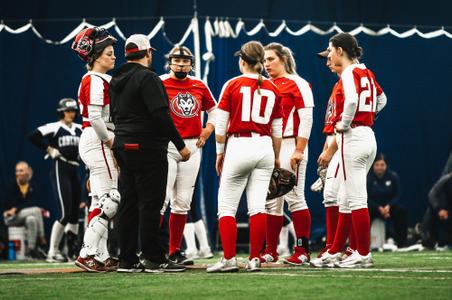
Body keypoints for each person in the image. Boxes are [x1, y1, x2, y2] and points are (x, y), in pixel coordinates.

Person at [110, 34, 190, 273]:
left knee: (128, 203)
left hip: (123, 144)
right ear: (147, 53)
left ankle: (126, 259)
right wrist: (180, 145)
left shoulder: (115, 78)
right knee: (150, 203)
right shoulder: (148, 77)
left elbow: (113, 115)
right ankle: (154, 257)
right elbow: (160, 115)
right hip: (147, 146)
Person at [207, 41, 283, 273]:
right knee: (258, 206)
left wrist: (220, 153)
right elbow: (277, 130)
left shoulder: (233, 84)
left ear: (242, 60)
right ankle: (255, 258)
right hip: (264, 147)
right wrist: (276, 157)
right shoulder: (273, 88)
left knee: (227, 207)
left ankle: (229, 259)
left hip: (239, 145)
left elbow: (220, 126)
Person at [313, 32, 387, 268]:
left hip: (353, 137)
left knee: (355, 199)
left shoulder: (348, 73)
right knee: (346, 198)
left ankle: (362, 253)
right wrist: (368, 116)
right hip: (368, 136)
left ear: (341, 50)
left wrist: (345, 123)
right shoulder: (366, 72)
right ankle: (337, 250)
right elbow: (382, 99)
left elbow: (353, 100)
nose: (330, 53)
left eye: (331, 48)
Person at [159, 45, 217, 265]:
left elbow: (215, 110)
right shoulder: (161, 82)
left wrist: (208, 129)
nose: (181, 64)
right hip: (167, 145)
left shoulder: (199, 84)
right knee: (162, 199)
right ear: (170, 62)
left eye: (185, 61)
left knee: (183, 201)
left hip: (193, 145)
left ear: (191, 63)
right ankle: (156, 250)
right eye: (177, 60)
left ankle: (175, 251)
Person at [71, 27, 119, 272]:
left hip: (95, 137)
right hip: (99, 137)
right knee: (113, 198)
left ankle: (101, 254)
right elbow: (96, 117)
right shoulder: (95, 79)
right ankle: (87, 251)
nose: (113, 56)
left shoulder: (98, 78)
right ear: (97, 56)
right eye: (109, 53)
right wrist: (112, 144)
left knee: (100, 200)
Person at [261, 42, 313, 265]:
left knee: (295, 198)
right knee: (271, 201)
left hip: (292, 144)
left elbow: (307, 118)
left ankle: (302, 250)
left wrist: (300, 150)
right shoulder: (265, 84)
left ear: (283, 59)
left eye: (270, 59)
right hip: (271, 146)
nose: (266, 64)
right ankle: (270, 250)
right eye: (264, 60)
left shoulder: (298, 83)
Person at [28, 98, 82, 262]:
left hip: (75, 169)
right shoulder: (54, 127)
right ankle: (52, 251)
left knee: (74, 214)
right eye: (67, 111)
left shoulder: (80, 129)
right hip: (61, 168)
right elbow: (33, 136)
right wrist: (49, 148)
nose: (70, 114)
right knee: (65, 213)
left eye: (73, 111)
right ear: (61, 112)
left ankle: (72, 251)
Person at [3, 162, 47, 259]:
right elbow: (10, 206)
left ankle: (31, 250)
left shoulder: (32, 185)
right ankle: (42, 239)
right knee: (36, 210)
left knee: (31, 219)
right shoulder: (11, 185)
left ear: (27, 172)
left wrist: (17, 208)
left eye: (21, 170)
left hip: (24, 215)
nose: (18, 173)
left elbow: (32, 202)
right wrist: (15, 209)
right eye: (17, 171)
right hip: (10, 218)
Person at [367, 153, 407, 247]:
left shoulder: (393, 177)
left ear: (386, 165)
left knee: (401, 211)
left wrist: (388, 207)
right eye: (377, 165)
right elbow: (366, 197)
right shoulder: (368, 178)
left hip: (389, 208)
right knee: (363, 213)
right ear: (373, 166)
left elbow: (397, 195)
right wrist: (379, 208)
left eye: (382, 165)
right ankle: (363, 244)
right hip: (374, 208)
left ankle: (401, 243)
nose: (379, 167)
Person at [418, 172, 452, 248]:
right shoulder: (445, 180)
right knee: (430, 213)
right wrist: (439, 209)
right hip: (440, 210)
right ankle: (428, 239)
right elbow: (432, 194)